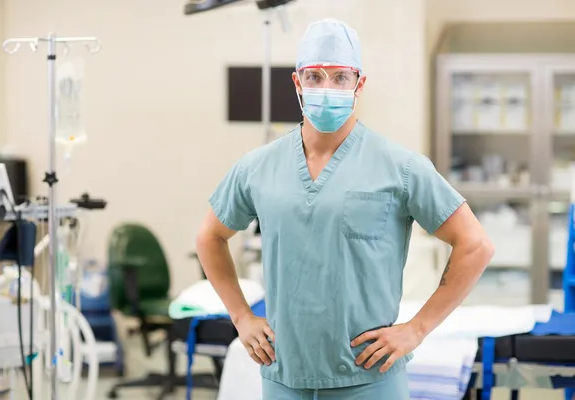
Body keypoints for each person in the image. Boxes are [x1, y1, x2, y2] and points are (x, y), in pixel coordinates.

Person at [196, 18, 495, 400]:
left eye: (341, 77)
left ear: (360, 84)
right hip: (284, 375)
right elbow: (210, 236)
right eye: (315, 76)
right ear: (297, 83)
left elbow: (475, 245)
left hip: (369, 380)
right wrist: (240, 315)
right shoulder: (258, 166)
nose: (327, 88)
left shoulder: (399, 166)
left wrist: (416, 329)